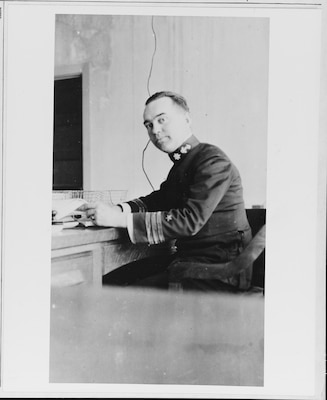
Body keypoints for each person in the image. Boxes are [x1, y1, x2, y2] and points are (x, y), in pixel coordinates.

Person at [81, 91, 252, 291]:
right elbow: (160, 199)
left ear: (187, 119)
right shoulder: (185, 163)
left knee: (116, 294)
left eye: (162, 120)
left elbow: (189, 221)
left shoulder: (212, 160)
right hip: (191, 263)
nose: (155, 130)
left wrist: (116, 220)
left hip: (220, 271)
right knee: (108, 281)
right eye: (149, 125)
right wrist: (119, 209)